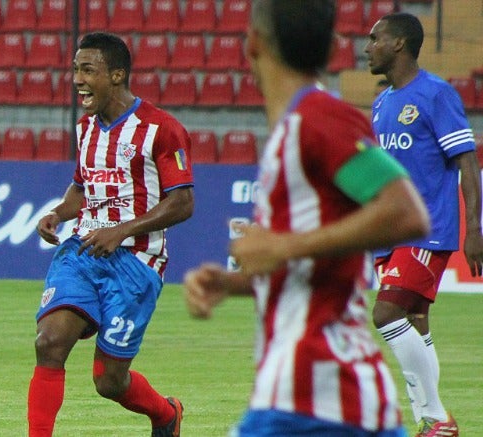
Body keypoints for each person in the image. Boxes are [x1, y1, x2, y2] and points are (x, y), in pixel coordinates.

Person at [183, 1, 431, 436]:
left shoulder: (318, 118)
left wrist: (281, 245)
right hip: (310, 394)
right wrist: (234, 282)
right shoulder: (293, 129)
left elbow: (405, 212)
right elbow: (317, 265)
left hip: (322, 393)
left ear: (253, 43)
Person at [27, 32, 194, 437]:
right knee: (49, 343)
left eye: (88, 70)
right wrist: (57, 213)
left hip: (136, 263)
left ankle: (165, 414)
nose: (77, 80)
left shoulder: (161, 129)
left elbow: (183, 203)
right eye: (75, 70)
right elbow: (83, 187)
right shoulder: (86, 129)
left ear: (116, 75)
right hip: (83, 251)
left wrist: (122, 231)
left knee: (109, 380)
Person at [365, 12, 483, 436]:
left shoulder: (436, 94)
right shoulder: (381, 104)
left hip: (427, 227)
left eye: (375, 38)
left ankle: (437, 418)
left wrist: (474, 228)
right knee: (413, 322)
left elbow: (467, 162)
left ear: (398, 44)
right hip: (390, 234)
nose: (367, 47)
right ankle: (431, 424)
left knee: (385, 313)